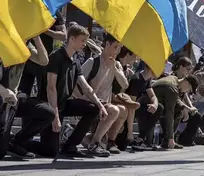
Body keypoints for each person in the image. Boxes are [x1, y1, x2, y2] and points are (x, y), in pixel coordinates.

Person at [36, 24, 109, 158]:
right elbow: (50, 87)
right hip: (50, 106)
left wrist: (100, 106)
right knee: (50, 151)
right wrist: (55, 116)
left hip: (65, 103)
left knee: (93, 108)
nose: (84, 44)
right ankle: (17, 142)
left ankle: (71, 144)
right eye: (82, 40)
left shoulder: (75, 60)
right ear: (72, 39)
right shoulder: (56, 57)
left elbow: (86, 87)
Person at [72, 33, 129, 155]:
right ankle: (95, 143)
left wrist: (114, 68)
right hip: (91, 102)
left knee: (123, 110)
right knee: (114, 110)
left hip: (105, 104)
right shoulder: (92, 62)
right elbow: (77, 82)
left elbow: (125, 85)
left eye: (120, 48)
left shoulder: (116, 64)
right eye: (115, 47)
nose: (118, 51)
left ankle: (109, 142)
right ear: (107, 44)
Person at [0, 36, 55, 159]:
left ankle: (15, 142)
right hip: (2, 96)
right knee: (0, 151)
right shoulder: (3, 43)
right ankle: (5, 143)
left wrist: (36, 37)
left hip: (14, 98)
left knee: (47, 113)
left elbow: (43, 60)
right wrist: (4, 92)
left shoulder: (25, 45)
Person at [152, 73, 199, 149]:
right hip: (151, 104)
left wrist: (185, 108)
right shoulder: (172, 87)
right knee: (172, 113)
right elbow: (169, 112)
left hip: (158, 103)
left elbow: (176, 99)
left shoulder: (174, 80)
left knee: (179, 112)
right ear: (186, 83)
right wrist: (171, 138)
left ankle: (167, 141)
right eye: (189, 89)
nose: (187, 92)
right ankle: (169, 140)